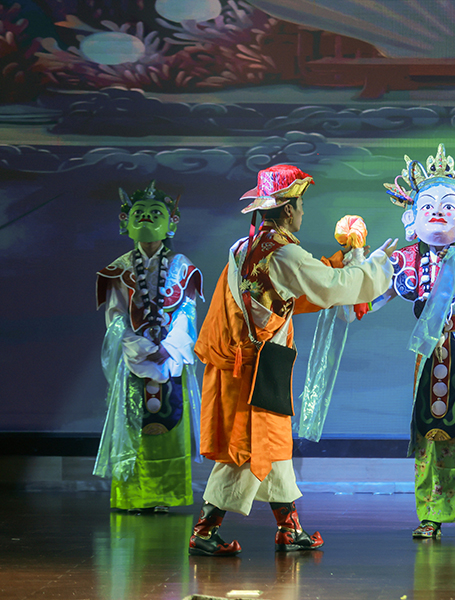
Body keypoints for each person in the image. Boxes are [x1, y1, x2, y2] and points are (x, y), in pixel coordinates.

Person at [190, 164, 396, 556]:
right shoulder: (284, 253)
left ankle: (289, 528)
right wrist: (377, 264)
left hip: (252, 362)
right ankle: (204, 530)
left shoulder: (245, 246)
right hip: (257, 367)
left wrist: (340, 261)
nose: (302, 212)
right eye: (300, 205)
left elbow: (290, 293)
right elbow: (332, 287)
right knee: (248, 448)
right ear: (287, 209)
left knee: (273, 443)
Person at [373, 143, 455, 538]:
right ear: (411, 217)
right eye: (427, 206)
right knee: (427, 432)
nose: (437, 212)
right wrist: (360, 273)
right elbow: (373, 293)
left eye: (448, 206)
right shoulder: (408, 258)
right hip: (429, 349)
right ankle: (430, 513)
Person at [94, 181, 203, 513]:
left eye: (156, 212)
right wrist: (141, 347)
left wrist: (169, 348)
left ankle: (167, 496)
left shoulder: (182, 266)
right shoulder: (119, 269)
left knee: (171, 430)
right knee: (133, 431)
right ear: (126, 221)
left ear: (171, 221)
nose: (146, 218)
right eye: (138, 212)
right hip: (135, 361)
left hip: (170, 360)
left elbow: (187, 312)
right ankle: (134, 497)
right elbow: (115, 318)